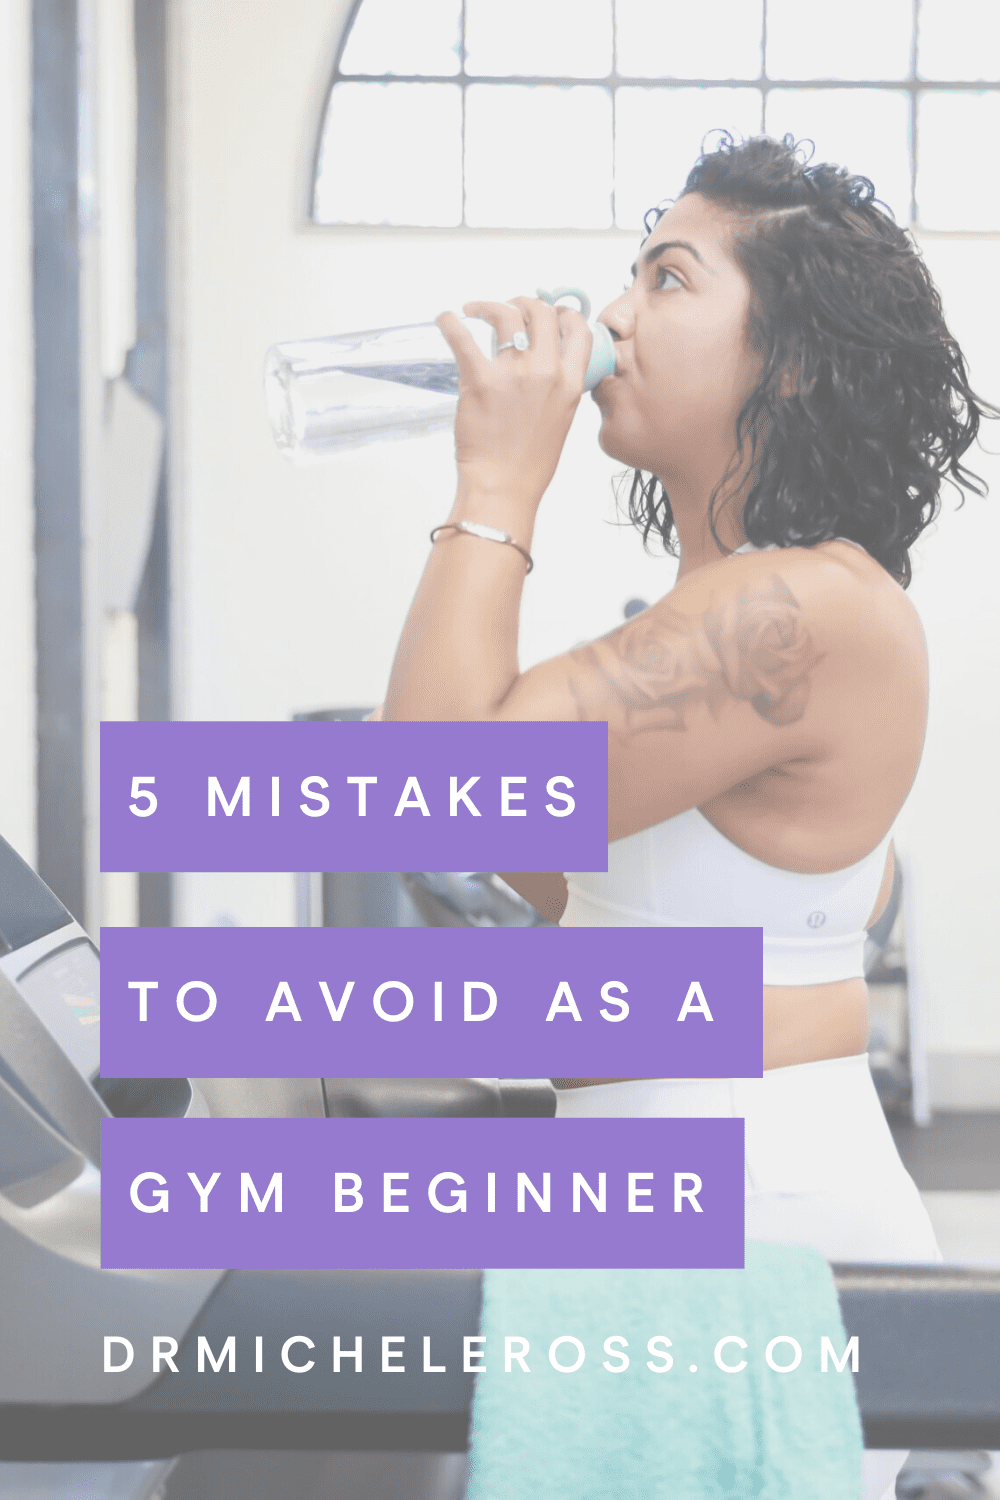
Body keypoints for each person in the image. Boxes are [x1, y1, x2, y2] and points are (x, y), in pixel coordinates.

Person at [380, 135, 996, 1499]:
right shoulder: (725, 616)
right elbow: (522, 852)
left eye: (667, 279)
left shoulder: (794, 612)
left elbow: (426, 791)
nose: (605, 319)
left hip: (744, 1235)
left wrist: (492, 488)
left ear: (789, 362)